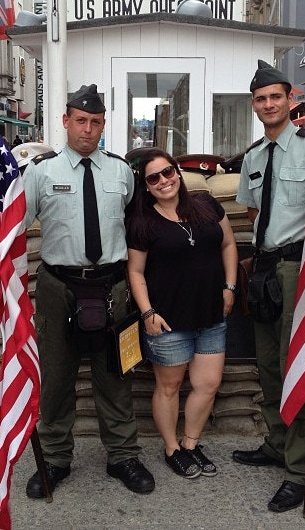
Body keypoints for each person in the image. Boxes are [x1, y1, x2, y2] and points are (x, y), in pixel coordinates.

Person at [0, 84, 155, 499]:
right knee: (56, 377)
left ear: (103, 125)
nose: (87, 129)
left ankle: (123, 456)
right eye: (80, 121)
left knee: (116, 374)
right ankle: (55, 458)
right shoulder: (41, 172)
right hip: (59, 288)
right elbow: (15, 222)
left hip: (112, 288)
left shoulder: (121, 171)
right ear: (65, 121)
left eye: (95, 122)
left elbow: (135, 226)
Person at [232, 60, 305, 513]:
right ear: (254, 105)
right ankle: (277, 444)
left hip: (297, 269)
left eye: (275, 97)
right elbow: (253, 212)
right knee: (267, 365)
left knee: (294, 367)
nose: (268, 105)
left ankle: (298, 470)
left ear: (289, 100)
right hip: (264, 269)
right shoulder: (253, 158)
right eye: (261, 99)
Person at [126, 149, 238, 480]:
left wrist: (230, 286)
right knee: (169, 386)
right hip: (168, 319)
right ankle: (172, 448)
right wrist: (148, 312)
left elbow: (228, 244)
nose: (163, 181)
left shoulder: (207, 205)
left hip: (211, 314)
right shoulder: (142, 222)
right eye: (153, 178)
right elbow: (135, 271)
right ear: (146, 186)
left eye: (167, 172)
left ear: (177, 172)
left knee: (208, 384)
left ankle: (191, 443)